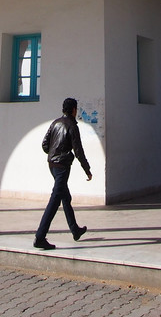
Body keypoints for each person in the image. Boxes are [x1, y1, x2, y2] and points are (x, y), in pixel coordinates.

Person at [34, 97, 92, 250]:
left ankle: (75, 230)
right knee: (55, 200)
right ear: (73, 110)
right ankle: (40, 236)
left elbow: (45, 144)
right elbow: (78, 150)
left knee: (65, 197)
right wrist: (87, 169)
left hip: (52, 164)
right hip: (62, 166)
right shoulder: (72, 125)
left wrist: (53, 152)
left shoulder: (55, 123)